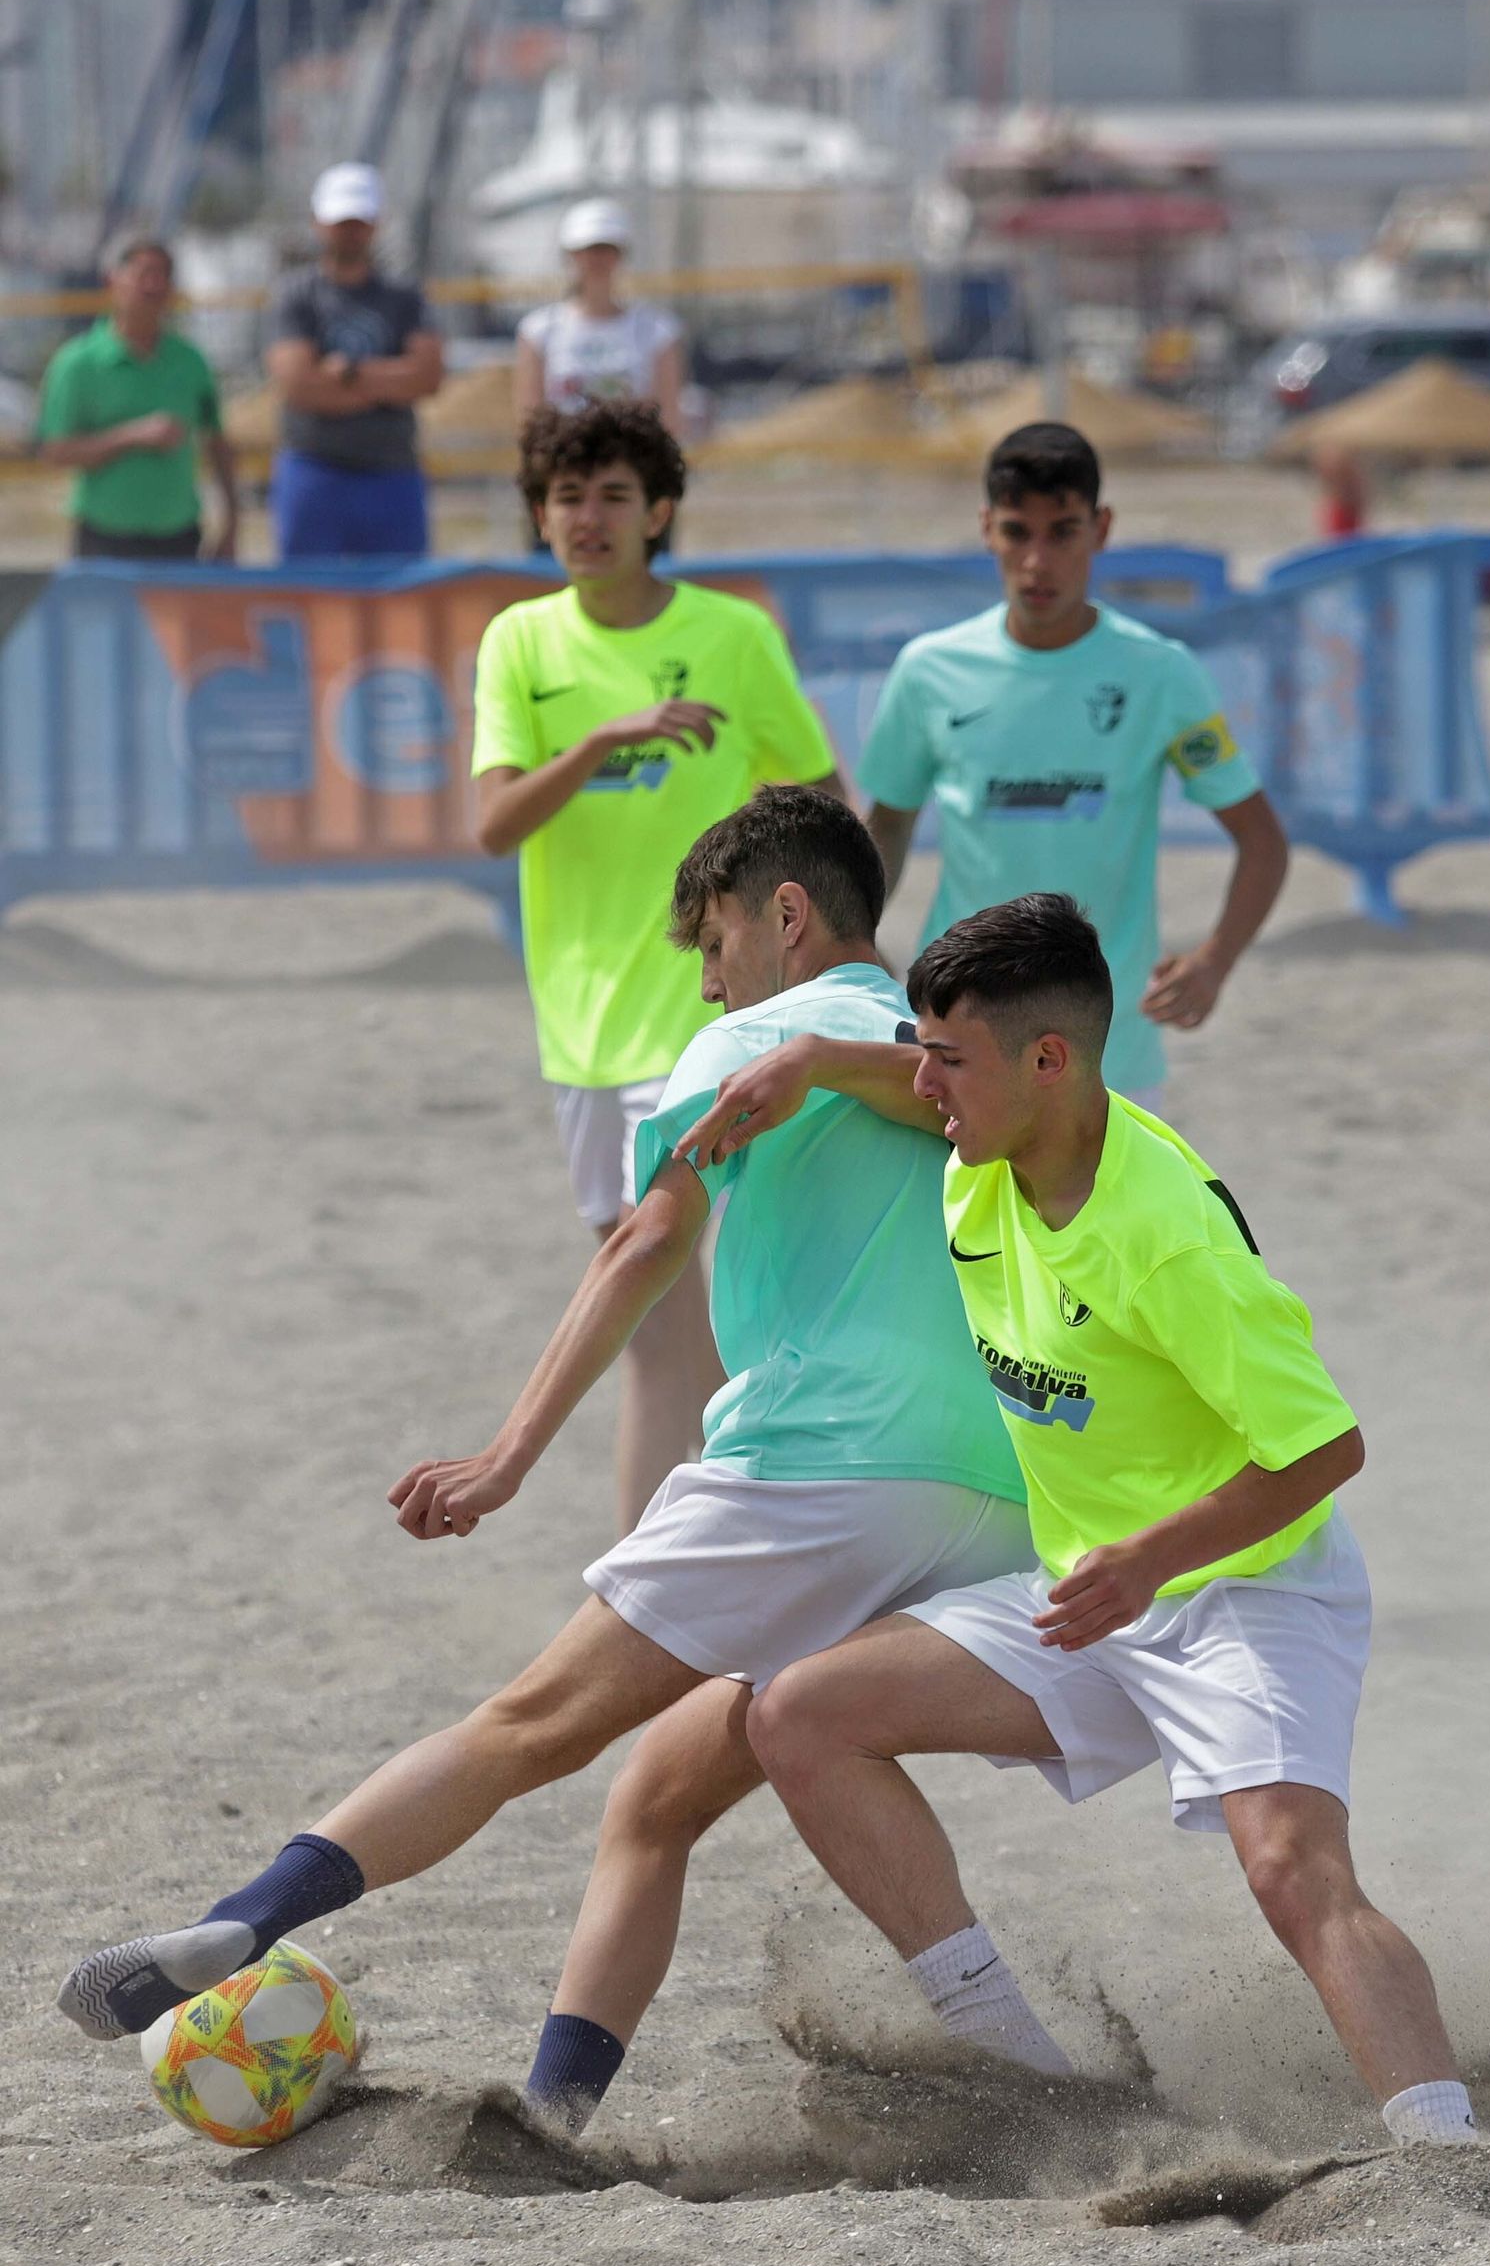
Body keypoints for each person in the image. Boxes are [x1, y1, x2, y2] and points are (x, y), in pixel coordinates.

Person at [57, 789, 1047, 2141]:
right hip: (997, 1490)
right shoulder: (960, 1055)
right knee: (661, 1789)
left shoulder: (746, 1041)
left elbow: (641, 1248)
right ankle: (569, 2111)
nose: (706, 977)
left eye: (712, 940)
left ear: (788, 915)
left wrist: (509, 1450)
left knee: (527, 1726)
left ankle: (242, 1921)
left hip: (826, 1469)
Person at [680, 892, 1476, 2149]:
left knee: (1288, 1870)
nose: (925, 1088)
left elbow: (1327, 1448)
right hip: (1083, 1595)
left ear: (1047, 1061)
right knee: (801, 1714)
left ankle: (1446, 2154)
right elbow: (910, 1082)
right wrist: (813, 1059)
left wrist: (1147, 1561)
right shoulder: (982, 1163)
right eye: (921, 1055)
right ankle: (1018, 2071)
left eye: (948, 1062)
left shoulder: (1166, 1241)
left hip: (1241, 1591)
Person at [474, 398, 840, 1528]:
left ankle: (651, 1604)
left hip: (714, 1018)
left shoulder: (733, 636)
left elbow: (823, 803)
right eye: (567, 497)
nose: (588, 517)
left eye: (614, 496)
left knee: (668, 1320)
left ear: (659, 511)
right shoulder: (520, 641)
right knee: (679, 1327)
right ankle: (739, 1564)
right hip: (580, 1028)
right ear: (540, 515)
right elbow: (492, 825)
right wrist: (602, 742)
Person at [856, 421, 1289, 1113]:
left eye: (1062, 531)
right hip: (955, 1045)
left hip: (1108, 1049)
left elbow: (1262, 840)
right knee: (955, 1227)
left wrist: (1214, 962)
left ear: (1102, 528)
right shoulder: (929, 670)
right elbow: (887, 830)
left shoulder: (1160, 672)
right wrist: (859, 951)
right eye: (1016, 531)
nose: (1038, 560)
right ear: (986, 530)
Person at [265, 162, 443, 559]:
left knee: (399, 603)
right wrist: (387, 386)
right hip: (315, 469)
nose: (349, 232)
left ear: (375, 224)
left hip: (391, 473)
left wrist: (345, 373)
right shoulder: (296, 295)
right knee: (310, 599)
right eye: (340, 222)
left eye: (358, 222)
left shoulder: (404, 296)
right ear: (317, 223)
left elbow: (428, 377)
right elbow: (296, 385)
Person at [34, 235, 238, 562]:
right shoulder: (78, 363)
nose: (154, 285)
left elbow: (218, 443)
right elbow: (55, 450)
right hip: (106, 537)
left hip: (179, 536)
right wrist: (132, 436)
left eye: (163, 275)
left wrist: (231, 525)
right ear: (112, 281)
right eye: (143, 273)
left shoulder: (189, 361)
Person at [514, 199, 684, 436]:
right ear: (570, 255)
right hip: (566, 462)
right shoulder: (539, 330)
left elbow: (669, 418)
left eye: (606, 249)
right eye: (586, 250)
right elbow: (531, 420)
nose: (596, 259)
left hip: (632, 461)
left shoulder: (656, 330)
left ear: (621, 255)